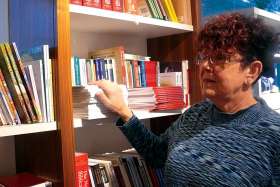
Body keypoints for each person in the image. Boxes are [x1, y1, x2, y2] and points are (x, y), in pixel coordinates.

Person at [94, 13, 280, 186]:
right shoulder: (196, 114)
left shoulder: (274, 134)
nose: (206, 65)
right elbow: (157, 154)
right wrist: (124, 112)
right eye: (204, 57)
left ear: (252, 70)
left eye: (220, 58)